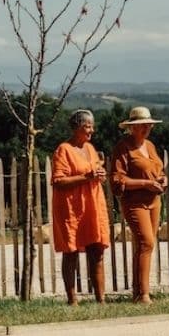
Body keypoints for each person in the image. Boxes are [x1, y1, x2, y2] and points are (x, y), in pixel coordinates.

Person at [51, 109, 110, 305]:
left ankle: (101, 299)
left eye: (92, 127)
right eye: (88, 127)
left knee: (97, 250)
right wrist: (87, 177)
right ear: (77, 127)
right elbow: (58, 181)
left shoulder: (90, 148)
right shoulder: (63, 150)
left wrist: (99, 175)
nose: (92, 131)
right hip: (71, 208)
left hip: (92, 205)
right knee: (71, 252)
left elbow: (94, 171)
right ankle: (72, 299)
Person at [111, 106, 168, 304]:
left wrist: (163, 180)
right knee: (147, 243)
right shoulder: (123, 147)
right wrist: (145, 184)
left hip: (154, 201)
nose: (147, 128)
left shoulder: (150, 146)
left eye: (149, 125)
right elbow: (118, 180)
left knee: (145, 245)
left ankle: (139, 290)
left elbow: (158, 170)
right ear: (132, 127)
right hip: (134, 202)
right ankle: (144, 294)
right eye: (143, 125)